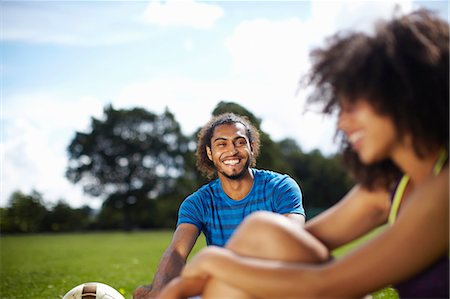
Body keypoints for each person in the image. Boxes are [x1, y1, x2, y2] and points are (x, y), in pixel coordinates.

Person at [157, 8, 449, 299]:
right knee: (260, 230)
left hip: (325, 285)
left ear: (404, 95)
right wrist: (191, 283)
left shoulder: (444, 189)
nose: (342, 123)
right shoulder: (391, 187)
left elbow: (325, 284)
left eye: (353, 106)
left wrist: (210, 263)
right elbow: (281, 244)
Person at [133, 112, 308, 298]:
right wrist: (161, 292)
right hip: (224, 290)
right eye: (221, 144)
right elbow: (177, 252)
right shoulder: (198, 203)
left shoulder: (281, 187)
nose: (231, 150)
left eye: (239, 142)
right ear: (209, 152)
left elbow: (291, 243)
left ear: (252, 146)